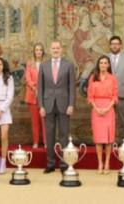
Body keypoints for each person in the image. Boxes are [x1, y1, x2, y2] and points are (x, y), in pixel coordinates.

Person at [38, 41, 76, 173]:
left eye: (57, 48)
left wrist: (71, 104)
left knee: (64, 135)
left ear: (61, 49)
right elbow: (40, 88)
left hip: (64, 104)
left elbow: (72, 87)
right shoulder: (43, 66)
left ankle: (64, 164)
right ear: (49, 50)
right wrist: (41, 105)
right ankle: (50, 164)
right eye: (53, 48)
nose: (55, 50)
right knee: (49, 135)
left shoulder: (68, 65)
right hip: (48, 105)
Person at [87, 55, 118, 174]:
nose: (103, 65)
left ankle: (107, 163)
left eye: (105, 63)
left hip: (109, 109)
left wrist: (107, 108)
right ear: (98, 65)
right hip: (96, 109)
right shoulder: (93, 78)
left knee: (109, 139)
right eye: (101, 63)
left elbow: (115, 96)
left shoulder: (113, 78)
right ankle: (100, 163)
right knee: (99, 139)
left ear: (108, 65)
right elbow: (90, 96)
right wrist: (97, 108)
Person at [24, 43, 47, 148]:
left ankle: (46, 142)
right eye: (36, 50)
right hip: (32, 95)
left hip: (45, 95)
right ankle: (36, 142)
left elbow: (49, 79)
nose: (38, 51)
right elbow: (28, 78)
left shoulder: (47, 64)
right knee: (35, 121)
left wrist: (41, 89)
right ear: (34, 52)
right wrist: (34, 87)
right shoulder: (29, 64)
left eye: (40, 50)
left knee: (45, 120)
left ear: (43, 52)